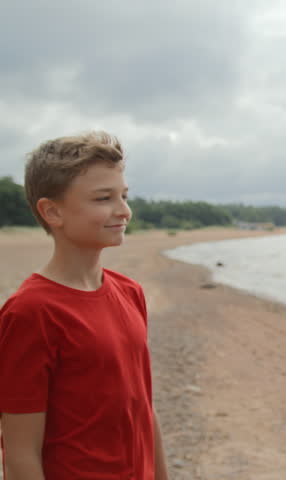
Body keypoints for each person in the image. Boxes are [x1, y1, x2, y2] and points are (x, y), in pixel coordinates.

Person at [0, 132, 169, 479]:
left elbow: (144, 409)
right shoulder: (31, 312)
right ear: (52, 211)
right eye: (103, 198)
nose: (123, 210)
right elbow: (20, 453)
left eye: (123, 195)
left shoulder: (130, 292)